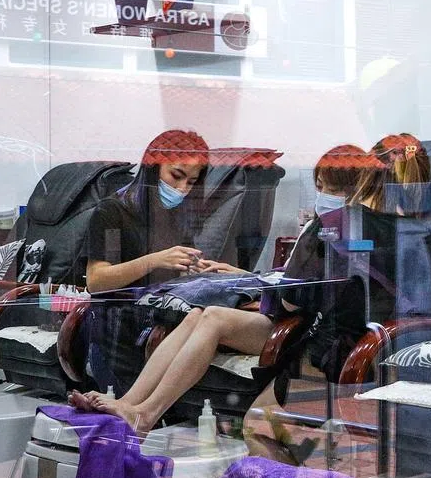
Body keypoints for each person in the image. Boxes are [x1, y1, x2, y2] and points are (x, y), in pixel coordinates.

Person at [71, 142, 386, 431]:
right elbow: (297, 278)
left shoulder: (333, 229)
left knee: (212, 317)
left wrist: (259, 282)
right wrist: (247, 275)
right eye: (320, 186)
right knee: (196, 315)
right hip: (291, 313)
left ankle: (146, 413)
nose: (182, 189)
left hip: (304, 327)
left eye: (332, 189)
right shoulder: (115, 210)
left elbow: (297, 295)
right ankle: (130, 404)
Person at [86, 129, 221, 293]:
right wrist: (153, 261)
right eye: (176, 175)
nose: (182, 189)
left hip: (163, 302)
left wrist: (192, 269)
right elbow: (96, 281)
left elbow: (173, 275)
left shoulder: (179, 215)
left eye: (191, 182)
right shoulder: (113, 211)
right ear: (153, 168)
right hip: (121, 306)